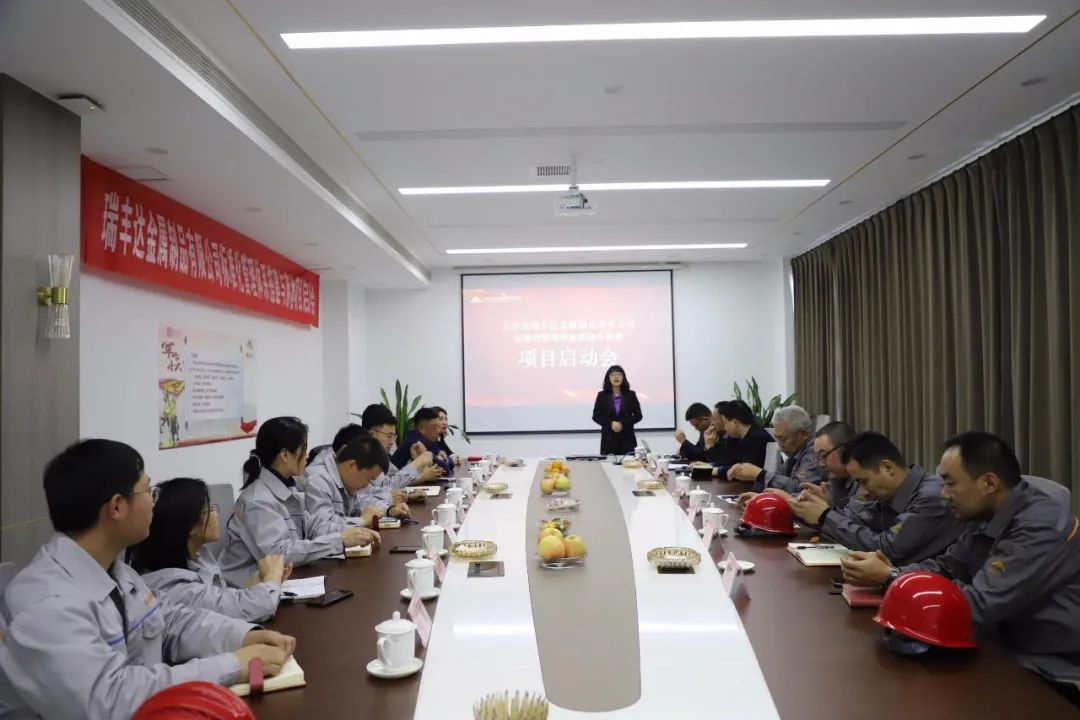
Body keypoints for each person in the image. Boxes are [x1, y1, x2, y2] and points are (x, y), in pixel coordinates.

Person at [0, 439, 294, 720]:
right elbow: (112, 699)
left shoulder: (116, 570)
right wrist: (233, 665)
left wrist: (242, 636)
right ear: (117, 507)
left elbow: (170, 622)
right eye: (148, 491)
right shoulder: (45, 604)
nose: (154, 503)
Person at [841, 432, 1080, 697]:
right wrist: (892, 574)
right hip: (996, 640)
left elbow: (979, 605)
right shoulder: (985, 514)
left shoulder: (1040, 526)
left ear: (989, 483)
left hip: (1048, 664)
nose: (944, 494)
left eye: (950, 483)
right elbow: (947, 566)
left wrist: (892, 578)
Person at [220, 417, 375, 587]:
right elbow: (279, 555)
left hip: (282, 579)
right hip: (246, 588)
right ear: (285, 455)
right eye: (304, 449)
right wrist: (339, 541)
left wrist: (355, 531)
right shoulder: (257, 501)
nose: (307, 456)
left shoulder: (290, 489)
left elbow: (313, 527)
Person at [781, 432, 964, 565]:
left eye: (864, 481)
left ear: (887, 468)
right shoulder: (889, 494)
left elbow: (886, 549)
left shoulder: (931, 497)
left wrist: (825, 516)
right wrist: (814, 509)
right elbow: (855, 524)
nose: (863, 491)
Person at [129, 478, 288, 623]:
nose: (216, 513)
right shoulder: (176, 588)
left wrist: (256, 585)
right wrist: (272, 578)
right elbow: (255, 608)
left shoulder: (198, 555)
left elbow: (221, 604)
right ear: (190, 527)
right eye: (210, 508)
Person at [737, 420, 856, 509]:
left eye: (824, 455)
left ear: (846, 450)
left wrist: (760, 474)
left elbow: (852, 525)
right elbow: (803, 497)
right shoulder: (835, 479)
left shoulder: (861, 482)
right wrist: (765, 499)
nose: (821, 464)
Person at [359, 405, 441, 515]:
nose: (392, 442)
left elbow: (393, 478)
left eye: (394, 436)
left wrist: (406, 496)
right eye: (389, 436)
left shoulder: (381, 454)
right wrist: (417, 464)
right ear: (372, 434)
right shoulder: (362, 456)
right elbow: (387, 485)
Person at [305, 423, 393, 524]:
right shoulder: (318, 479)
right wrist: (362, 521)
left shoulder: (347, 480)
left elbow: (358, 507)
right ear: (352, 465)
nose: (367, 486)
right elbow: (321, 527)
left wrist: (388, 511)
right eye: (368, 479)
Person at [728, 405, 826, 493]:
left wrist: (759, 474)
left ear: (803, 434)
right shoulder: (796, 452)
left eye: (783, 439)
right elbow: (778, 476)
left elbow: (798, 488)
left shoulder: (815, 452)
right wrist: (755, 494)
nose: (779, 446)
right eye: (777, 439)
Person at [707, 400, 771, 478]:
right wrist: (707, 466)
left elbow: (742, 469)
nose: (725, 428)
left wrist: (716, 471)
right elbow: (729, 462)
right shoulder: (737, 438)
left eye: (725, 423)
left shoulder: (758, 437)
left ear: (735, 423)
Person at [591, 365, 643, 455]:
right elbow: (596, 416)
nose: (616, 377)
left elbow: (638, 415)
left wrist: (622, 424)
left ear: (623, 377)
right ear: (608, 378)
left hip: (627, 439)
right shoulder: (602, 396)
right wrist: (611, 423)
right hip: (608, 440)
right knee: (608, 463)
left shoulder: (630, 395)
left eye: (619, 374)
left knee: (629, 463)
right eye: (612, 375)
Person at [390, 407, 454, 476]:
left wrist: (441, 459)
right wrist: (442, 459)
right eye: (434, 427)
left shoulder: (424, 439)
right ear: (422, 428)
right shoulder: (417, 442)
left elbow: (449, 461)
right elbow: (444, 470)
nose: (438, 430)